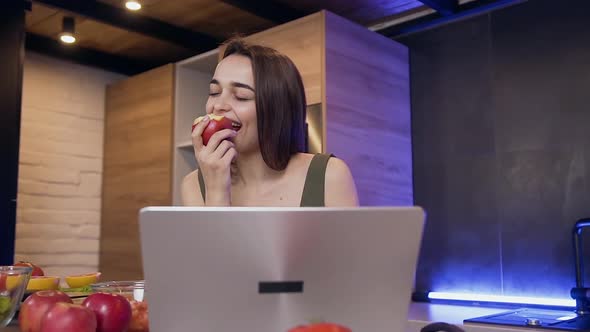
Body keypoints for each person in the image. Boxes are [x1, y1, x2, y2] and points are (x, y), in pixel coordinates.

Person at [181, 37, 358, 207]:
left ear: (276, 109)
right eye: (214, 92)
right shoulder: (193, 186)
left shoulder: (330, 176)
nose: (218, 105)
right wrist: (216, 193)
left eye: (241, 97)